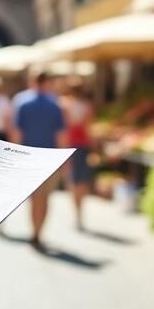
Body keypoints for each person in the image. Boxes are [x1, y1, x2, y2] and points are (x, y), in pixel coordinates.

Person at [11, 70, 66, 250]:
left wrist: (15, 155)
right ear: (47, 82)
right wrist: (65, 159)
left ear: (32, 81)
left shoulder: (22, 102)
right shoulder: (55, 104)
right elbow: (61, 135)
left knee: (34, 198)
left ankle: (34, 230)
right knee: (46, 198)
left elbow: (17, 133)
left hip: (29, 157)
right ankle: (39, 231)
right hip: (50, 157)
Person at [60, 77, 94, 232]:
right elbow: (88, 130)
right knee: (82, 180)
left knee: (71, 180)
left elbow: (62, 129)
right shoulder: (86, 106)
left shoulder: (64, 105)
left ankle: (76, 212)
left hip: (69, 146)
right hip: (82, 146)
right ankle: (80, 213)